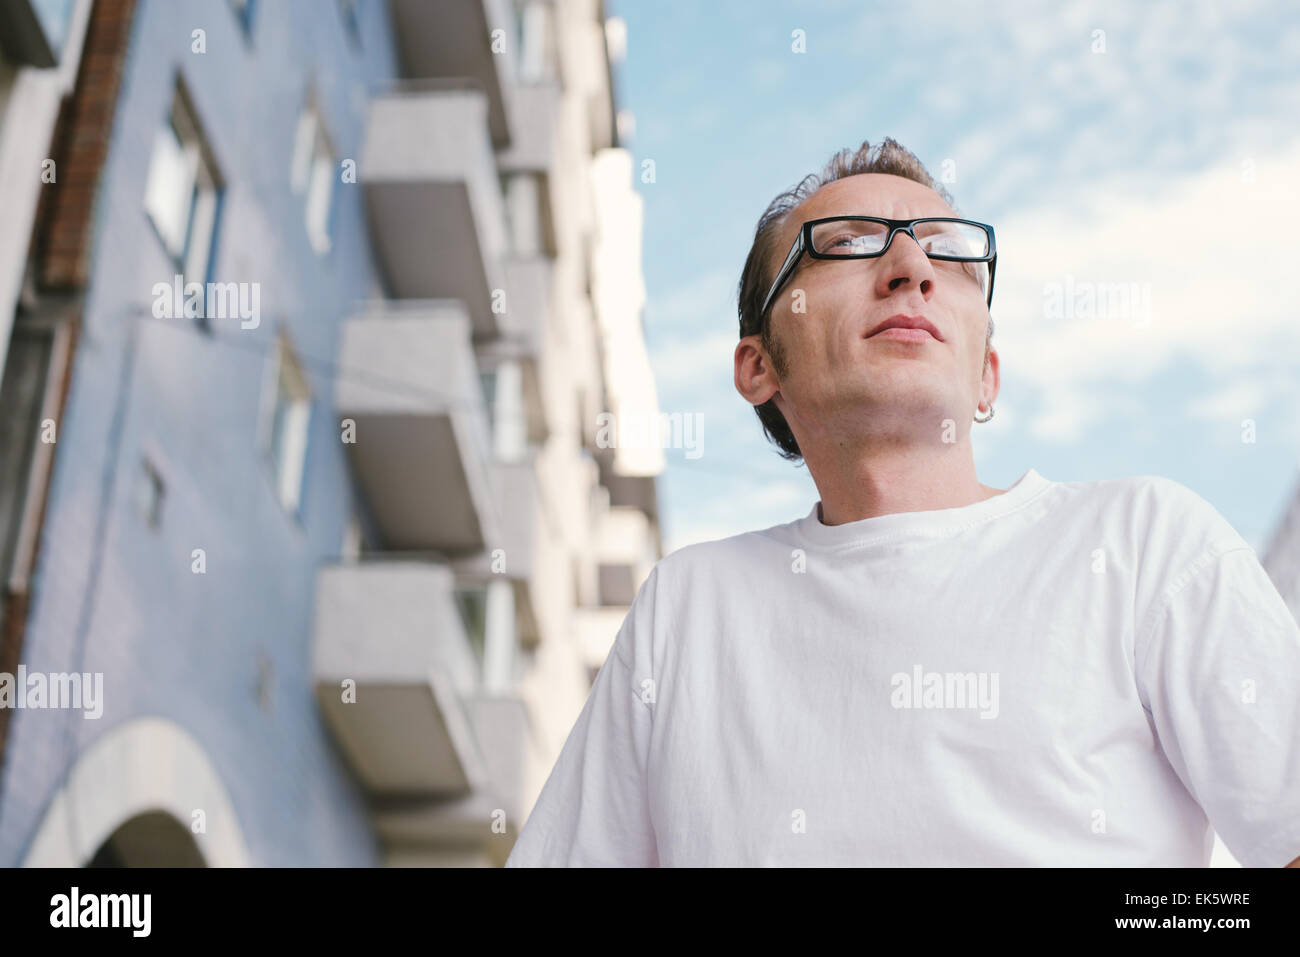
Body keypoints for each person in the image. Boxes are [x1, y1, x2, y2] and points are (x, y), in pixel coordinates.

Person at [505, 138, 1300, 867]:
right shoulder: (687, 606)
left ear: (986, 374)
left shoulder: (1145, 545)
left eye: (950, 254)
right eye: (848, 243)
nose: (912, 267)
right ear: (758, 368)